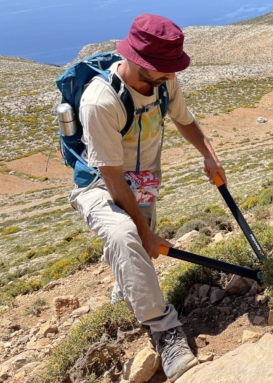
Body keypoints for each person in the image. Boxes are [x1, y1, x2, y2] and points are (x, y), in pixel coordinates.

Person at [68, 13, 226, 382]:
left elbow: (183, 119)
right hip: (98, 184)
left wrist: (208, 154)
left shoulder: (166, 84)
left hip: (142, 180)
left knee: (138, 249)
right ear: (140, 61)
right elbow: (109, 177)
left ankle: (127, 291)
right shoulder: (100, 102)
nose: (173, 75)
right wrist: (145, 231)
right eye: (166, 68)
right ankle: (165, 331)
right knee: (128, 235)